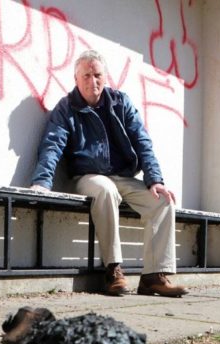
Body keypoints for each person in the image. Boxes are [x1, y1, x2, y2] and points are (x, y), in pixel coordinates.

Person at [29, 50, 187, 298]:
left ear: (106, 76)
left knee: (163, 201)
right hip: (87, 177)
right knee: (105, 189)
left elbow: (143, 141)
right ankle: (113, 270)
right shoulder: (66, 108)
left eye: (98, 75)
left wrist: (155, 180)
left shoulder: (120, 102)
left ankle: (153, 277)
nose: (93, 81)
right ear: (76, 79)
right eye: (87, 76)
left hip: (122, 177)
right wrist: (42, 182)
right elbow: (52, 144)